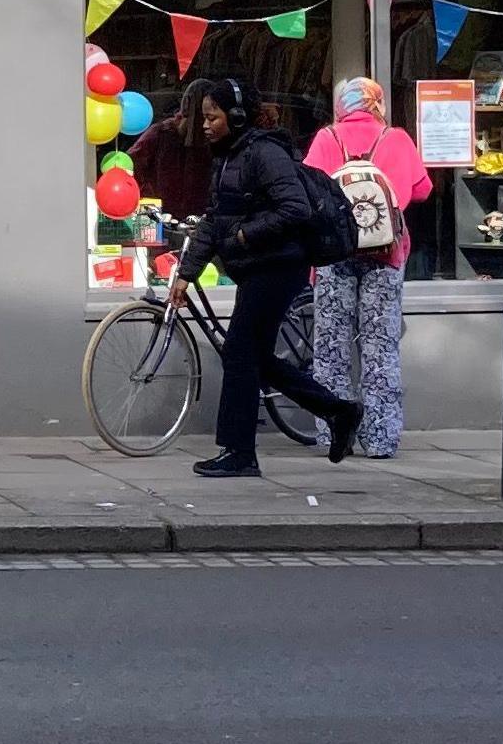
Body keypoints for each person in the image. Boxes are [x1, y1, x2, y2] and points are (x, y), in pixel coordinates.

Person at [166, 80, 362, 477]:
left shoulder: (264, 153)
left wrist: (244, 235)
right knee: (252, 357)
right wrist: (186, 273)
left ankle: (239, 453)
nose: (204, 125)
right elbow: (213, 219)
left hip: (278, 266)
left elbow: (296, 208)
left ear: (235, 117)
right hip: (256, 267)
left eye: (212, 117)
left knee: (239, 354)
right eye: (204, 117)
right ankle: (339, 411)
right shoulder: (227, 157)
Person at [298, 77, 432, 459]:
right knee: (380, 346)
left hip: (334, 255)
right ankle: (380, 438)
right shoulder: (396, 138)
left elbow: (307, 190)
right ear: (377, 103)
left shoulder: (326, 138)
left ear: (342, 105)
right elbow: (422, 190)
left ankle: (332, 431)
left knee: (330, 348)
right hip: (385, 253)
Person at [127, 78, 218, 222]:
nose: (205, 123)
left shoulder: (213, 140)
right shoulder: (161, 133)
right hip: (158, 217)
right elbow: (130, 163)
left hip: (196, 219)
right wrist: (146, 194)